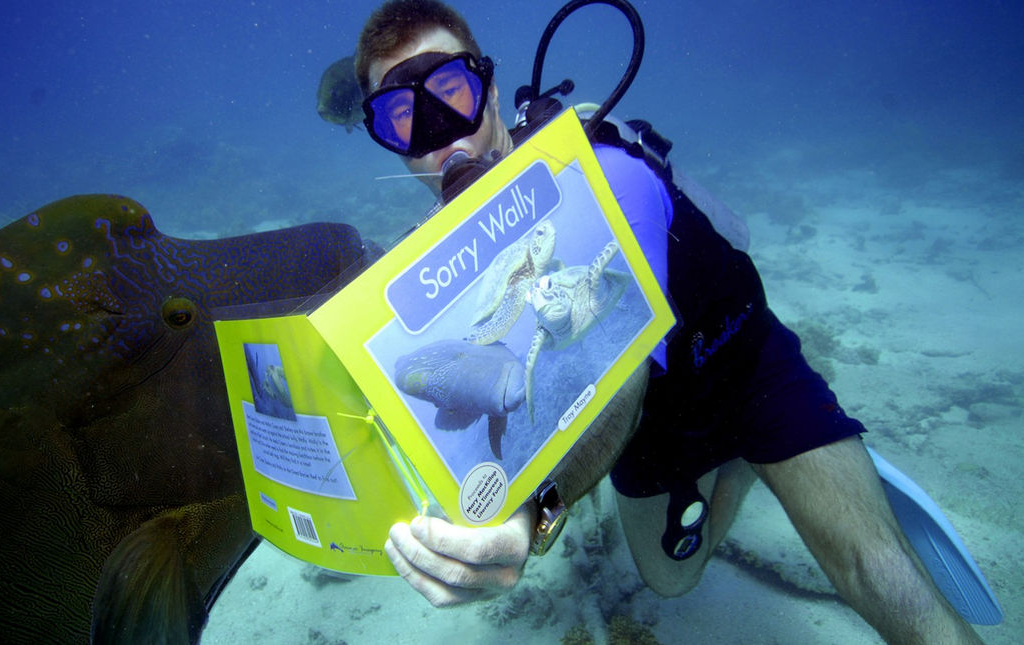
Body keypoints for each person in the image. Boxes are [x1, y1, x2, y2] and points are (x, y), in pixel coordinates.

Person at [353, 1, 985, 643]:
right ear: (388, 144)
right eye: (402, 118)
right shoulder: (445, 259)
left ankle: (791, 452)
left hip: (738, 363)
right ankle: (737, 468)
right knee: (670, 580)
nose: (442, 137)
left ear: (487, 91)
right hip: (652, 429)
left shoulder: (607, 175)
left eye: (451, 94)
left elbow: (619, 376)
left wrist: (532, 512)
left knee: (883, 578)